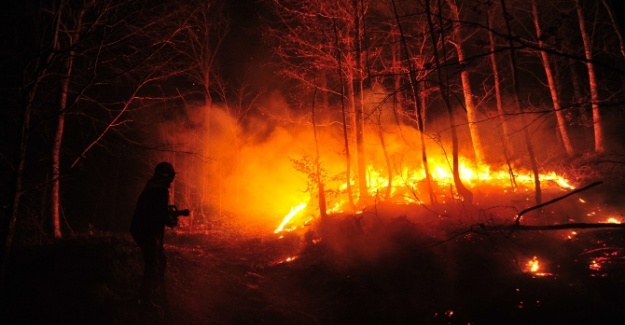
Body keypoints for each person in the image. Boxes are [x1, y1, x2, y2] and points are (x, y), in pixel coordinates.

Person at [130, 161, 179, 306]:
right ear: (167, 177)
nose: (171, 181)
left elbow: (157, 211)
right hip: (146, 231)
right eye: (170, 177)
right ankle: (145, 298)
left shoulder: (151, 187)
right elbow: (161, 214)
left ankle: (152, 293)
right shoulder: (160, 190)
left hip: (141, 229)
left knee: (159, 260)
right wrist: (171, 220)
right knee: (153, 263)